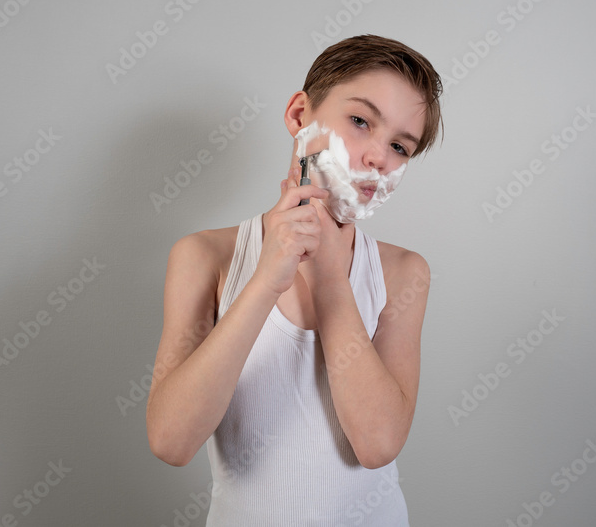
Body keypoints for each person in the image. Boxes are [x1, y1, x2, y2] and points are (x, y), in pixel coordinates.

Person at [146, 34, 443, 525]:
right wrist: (265, 280)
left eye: (398, 146)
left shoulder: (402, 273)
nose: (377, 156)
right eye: (360, 121)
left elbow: (377, 445)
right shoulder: (205, 258)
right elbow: (171, 441)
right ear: (299, 114)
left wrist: (330, 280)